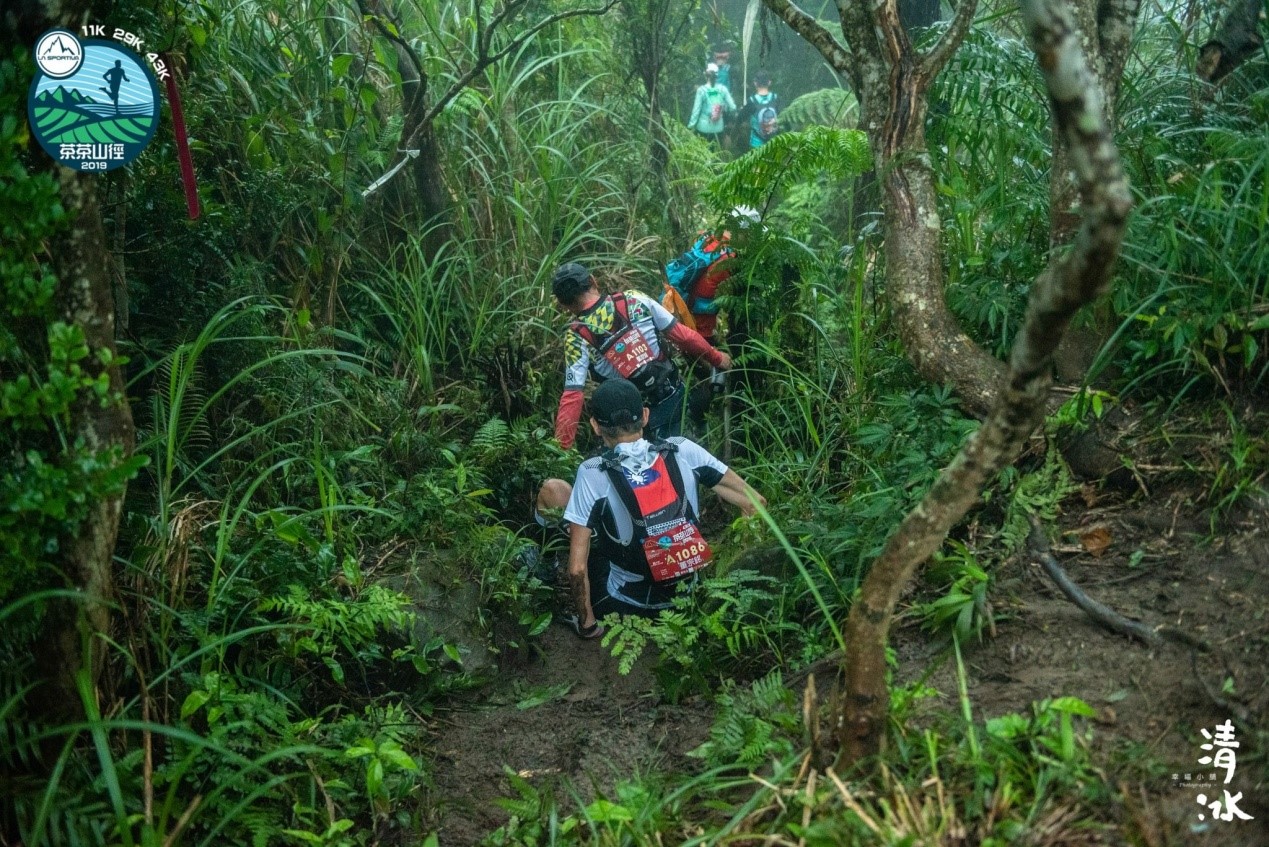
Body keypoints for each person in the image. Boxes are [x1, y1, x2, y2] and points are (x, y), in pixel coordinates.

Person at [551, 378, 766, 637]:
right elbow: (756, 504)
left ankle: (582, 617)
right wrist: (732, 568)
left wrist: (589, 627)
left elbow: (576, 569)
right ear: (644, 415)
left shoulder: (593, 472)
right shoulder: (682, 449)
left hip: (628, 606)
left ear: (596, 426)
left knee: (593, 545)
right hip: (689, 598)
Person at [552, 262, 731, 451]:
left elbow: (572, 396)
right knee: (693, 458)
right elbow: (683, 336)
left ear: (563, 304)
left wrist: (560, 450)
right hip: (673, 398)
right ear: (592, 281)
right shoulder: (634, 298)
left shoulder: (576, 336)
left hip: (629, 427)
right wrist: (717, 358)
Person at [687, 63, 737, 147]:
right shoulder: (723, 89)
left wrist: (690, 127)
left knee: (703, 151)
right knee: (715, 151)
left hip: (703, 128)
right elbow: (732, 107)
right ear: (717, 75)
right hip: (718, 128)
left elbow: (696, 111)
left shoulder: (701, 90)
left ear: (706, 75)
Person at [742, 70, 779, 149]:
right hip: (774, 142)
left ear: (755, 83)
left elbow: (741, 118)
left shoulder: (752, 100)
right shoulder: (775, 98)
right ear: (769, 82)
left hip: (756, 144)